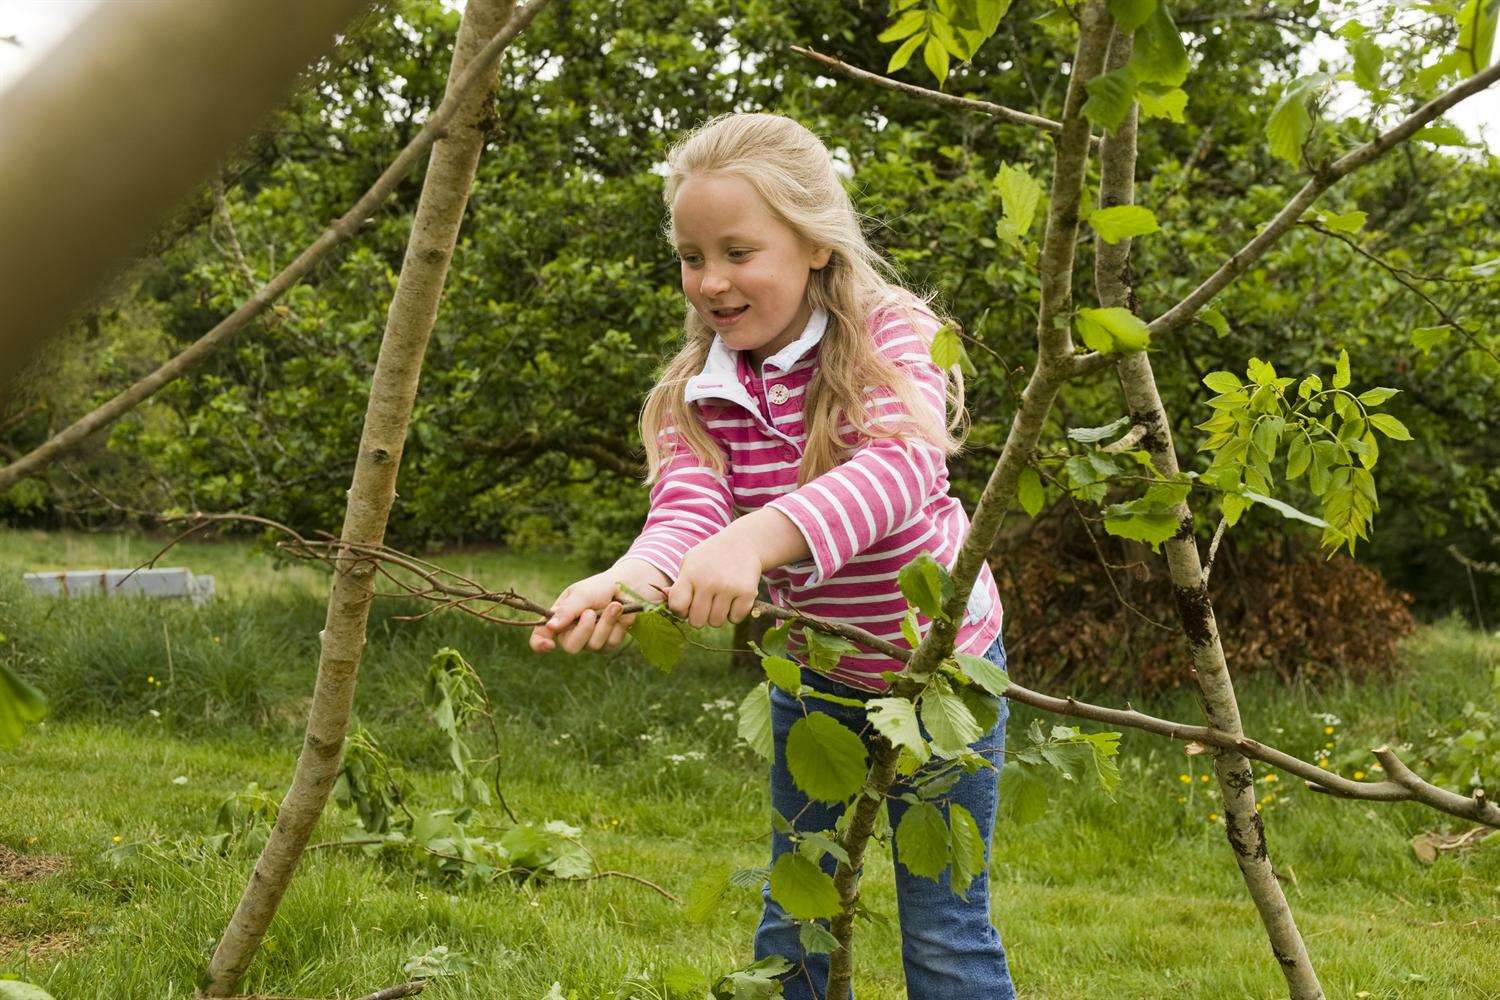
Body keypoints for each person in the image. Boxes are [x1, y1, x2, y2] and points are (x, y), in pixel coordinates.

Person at [530, 111, 1015, 999]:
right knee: (799, 907)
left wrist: (754, 540)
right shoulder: (700, 389)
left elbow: (903, 465)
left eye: (739, 251)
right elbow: (686, 512)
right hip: (813, 677)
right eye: (690, 255)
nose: (710, 280)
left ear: (816, 244)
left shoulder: (886, 331)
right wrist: (625, 581)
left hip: (942, 669)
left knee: (945, 927)